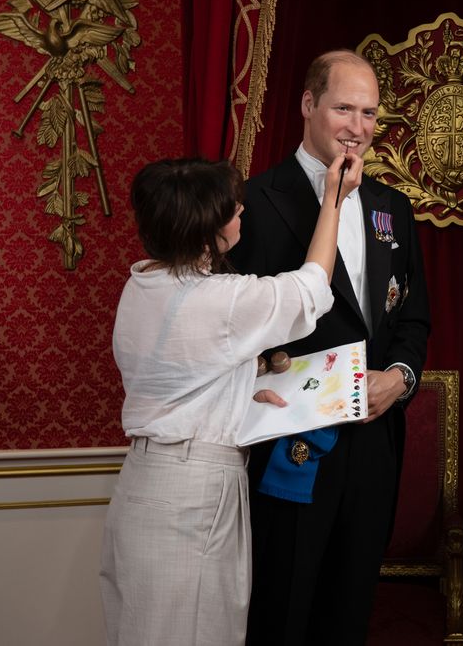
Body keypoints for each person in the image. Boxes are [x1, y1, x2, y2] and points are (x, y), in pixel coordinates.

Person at [100, 155, 360, 645]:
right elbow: (310, 289)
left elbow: (180, 364)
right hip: (194, 493)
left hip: (143, 483)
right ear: (206, 231)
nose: (242, 214)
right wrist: (333, 199)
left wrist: (246, 374)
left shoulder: (139, 284)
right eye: (232, 210)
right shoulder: (220, 300)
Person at [227, 49, 430, 645]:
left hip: (374, 437)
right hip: (292, 444)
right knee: (283, 612)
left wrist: (402, 376)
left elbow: (413, 318)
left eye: (369, 113)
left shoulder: (393, 207)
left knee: (350, 610)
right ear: (308, 105)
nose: (359, 128)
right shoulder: (254, 204)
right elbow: (238, 329)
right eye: (344, 108)